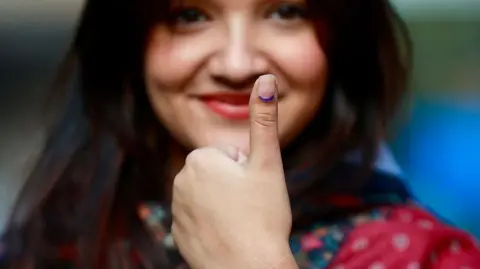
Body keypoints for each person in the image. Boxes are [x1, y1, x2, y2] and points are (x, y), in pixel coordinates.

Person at [1, 0, 479, 268]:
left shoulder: (422, 257)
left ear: (343, 39)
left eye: (285, 12)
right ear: (128, 43)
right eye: (189, 15)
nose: (236, 64)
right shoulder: (50, 240)